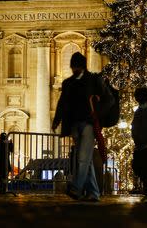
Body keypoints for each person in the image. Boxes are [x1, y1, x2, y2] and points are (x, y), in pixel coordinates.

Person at [52, 51, 113, 202]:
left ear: (82, 66)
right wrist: (57, 120)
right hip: (74, 124)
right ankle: (94, 193)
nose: (74, 69)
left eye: (76, 66)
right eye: (73, 66)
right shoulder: (68, 83)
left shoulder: (94, 80)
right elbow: (62, 103)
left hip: (89, 124)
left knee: (82, 158)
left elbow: (109, 99)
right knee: (87, 160)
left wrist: (98, 113)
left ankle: (76, 188)